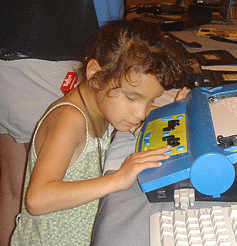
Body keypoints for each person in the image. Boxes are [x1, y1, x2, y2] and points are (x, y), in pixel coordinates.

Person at [10, 19, 188, 245]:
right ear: (95, 74)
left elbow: (143, 108)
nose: (140, 113)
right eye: (132, 98)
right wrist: (118, 179)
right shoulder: (69, 120)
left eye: (149, 100)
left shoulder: (104, 105)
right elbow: (37, 199)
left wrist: (173, 110)